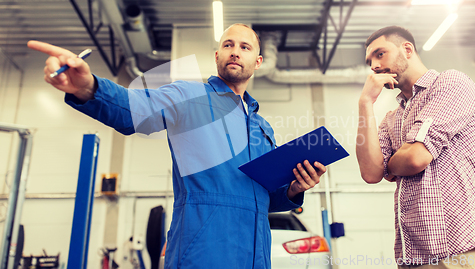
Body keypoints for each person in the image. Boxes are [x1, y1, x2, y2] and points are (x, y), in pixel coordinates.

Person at [28, 23, 327, 268]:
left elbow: (264, 197)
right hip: (201, 252)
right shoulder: (188, 96)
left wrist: (294, 188)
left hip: (255, 255)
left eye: (244, 47)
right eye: (228, 45)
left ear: (258, 62)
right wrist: (87, 87)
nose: (235, 52)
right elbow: (134, 108)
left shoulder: (262, 127)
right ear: (217, 55)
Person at [356, 26, 475, 268]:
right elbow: (371, 173)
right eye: (370, 61)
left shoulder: (451, 84)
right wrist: (365, 102)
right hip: (413, 257)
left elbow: (414, 159)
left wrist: (390, 164)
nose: (374, 66)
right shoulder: (391, 118)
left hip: (460, 252)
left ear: (407, 49)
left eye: (380, 54)